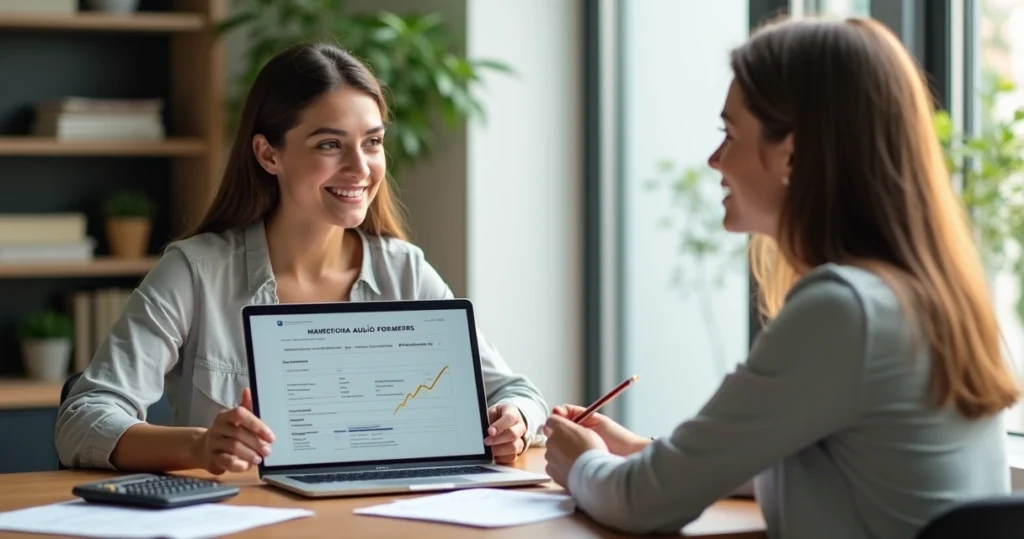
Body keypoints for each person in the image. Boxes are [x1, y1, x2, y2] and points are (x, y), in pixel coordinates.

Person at [542, 15, 1020, 539]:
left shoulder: (845, 310)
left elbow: (641, 504)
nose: (714, 160)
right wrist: (642, 453)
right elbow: (784, 457)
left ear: (790, 154)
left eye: (730, 134)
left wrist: (582, 464)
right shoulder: (921, 297)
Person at [55, 42, 548, 473]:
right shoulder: (196, 271)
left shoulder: (405, 270)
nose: (360, 168)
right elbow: (83, 419)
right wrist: (200, 446)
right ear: (269, 155)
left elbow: (515, 391)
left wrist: (516, 421)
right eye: (330, 144)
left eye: (372, 142)